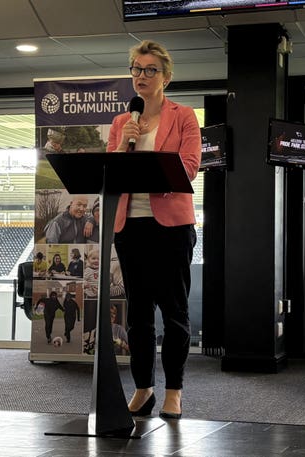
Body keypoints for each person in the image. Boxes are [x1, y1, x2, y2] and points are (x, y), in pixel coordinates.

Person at [107, 40, 201, 419]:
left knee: (174, 312)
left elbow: (190, 166)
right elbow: (111, 172)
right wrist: (125, 148)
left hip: (172, 228)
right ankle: (143, 388)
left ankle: (174, 391)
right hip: (130, 226)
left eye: (149, 70)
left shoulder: (183, 116)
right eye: (135, 69)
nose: (141, 76)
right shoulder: (121, 123)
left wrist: (147, 166)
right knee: (137, 316)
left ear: (166, 77)